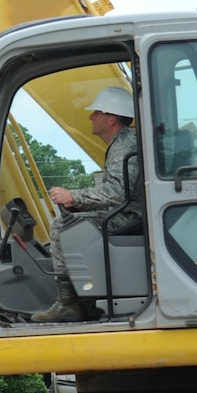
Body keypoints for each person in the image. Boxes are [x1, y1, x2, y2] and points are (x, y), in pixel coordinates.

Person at [31, 85, 143, 322]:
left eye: (96, 113)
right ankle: (83, 301)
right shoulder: (123, 143)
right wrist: (80, 205)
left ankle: (68, 304)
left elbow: (117, 193)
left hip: (132, 216)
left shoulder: (124, 146)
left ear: (111, 118)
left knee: (62, 227)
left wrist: (74, 197)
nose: (91, 117)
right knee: (71, 221)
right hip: (130, 212)